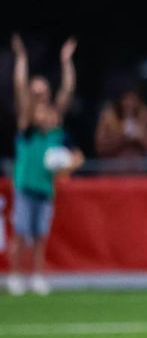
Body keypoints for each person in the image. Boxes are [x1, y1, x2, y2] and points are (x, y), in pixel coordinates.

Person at [8, 34, 84, 296]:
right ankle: (15, 275)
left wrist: (66, 61)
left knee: (40, 236)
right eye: (36, 93)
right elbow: (19, 86)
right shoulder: (26, 125)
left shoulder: (53, 128)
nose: (40, 97)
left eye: (43, 93)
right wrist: (21, 58)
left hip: (45, 189)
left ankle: (37, 276)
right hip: (24, 187)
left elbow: (67, 90)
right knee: (20, 234)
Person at [94, 86, 147, 163]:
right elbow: (99, 148)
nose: (129, 103)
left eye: (132, 99)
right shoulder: (108, 117)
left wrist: (141, 137)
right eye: (125, 99)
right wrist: (121, 137)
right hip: (113, 169)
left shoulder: (146, 116)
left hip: (140, 169)